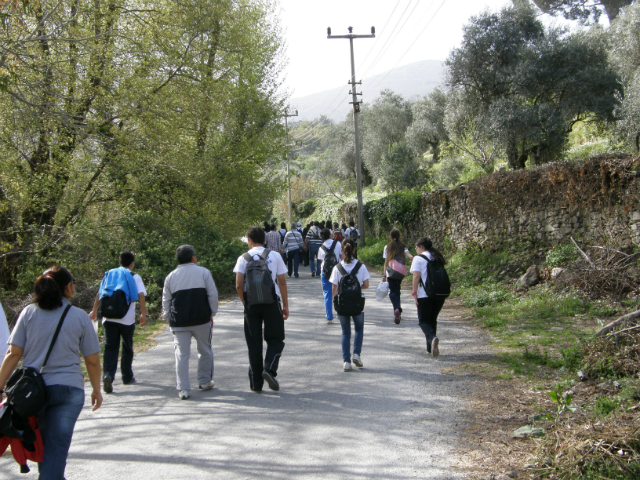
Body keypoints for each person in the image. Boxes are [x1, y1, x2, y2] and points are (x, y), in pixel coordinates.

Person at [0, 266, 102, 479]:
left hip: (33, 393)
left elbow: (13, 354)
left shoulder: (29, 312)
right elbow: (92, 361)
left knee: (45, 442)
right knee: (56, 445)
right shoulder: (80, 317)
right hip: (69, 391)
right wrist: (96, 390)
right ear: (68, 287)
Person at [234, 227, 289, 393]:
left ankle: (256, 384)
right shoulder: (274, 255)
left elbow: (238, 285)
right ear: (264, 239)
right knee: (276, 339)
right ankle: (269, 368)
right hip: (272, 303)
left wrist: (246, 303)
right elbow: (282, 282)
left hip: (251, 305)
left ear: (250, 240)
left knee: (254, 343)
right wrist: (285, 305)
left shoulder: (243, 258)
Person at [162, 245, 218, 399]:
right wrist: (212, 313)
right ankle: (204, 381)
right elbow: (212, 295)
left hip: (179, 322)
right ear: (193, 257)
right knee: (205, 350)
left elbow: (166, 300)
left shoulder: (171, 276)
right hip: (201, 319)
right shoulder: (204, 273)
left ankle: (183, 388)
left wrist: (168, 318)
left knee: (181, 354)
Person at [90, 252, 147, 393]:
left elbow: (100, 293)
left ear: (119, 262)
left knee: (110, 347)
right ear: (132, 263)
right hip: (126, 319)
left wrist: (94, 311)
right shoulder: (134, 276)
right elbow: (140, 294)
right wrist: (143, 314)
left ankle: (108, 375)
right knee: (127, 346)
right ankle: (127, 377)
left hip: (108, 318)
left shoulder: (109, 274)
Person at [330, 238, 370, 372]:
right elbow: (366, 285)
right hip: (357, 303)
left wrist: (335, 302)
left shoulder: (337, 268)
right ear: (354, 249)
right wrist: (355, 288)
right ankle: (357, 354)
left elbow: (334, 288)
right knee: (359, 330)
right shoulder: (361, 266)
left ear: (342, 250)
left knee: (345, 332)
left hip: (342, 304)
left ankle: (346, 361)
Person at [410, 237, 447, 358]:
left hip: (424, 295)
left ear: (421, 246)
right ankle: (430, 348)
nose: (416, 250)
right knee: (432, 320)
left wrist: (414, 294)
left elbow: (416, 277)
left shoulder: (418, 258)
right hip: (439, 294)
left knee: (423, 321)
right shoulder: (437, 256)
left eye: (416, 247)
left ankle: (432, 339)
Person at [381, 229, 414, 325]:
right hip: (400, 271)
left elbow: (386, 261)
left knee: (393, 292)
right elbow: (408, 255)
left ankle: (396, 308)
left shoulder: (387, 247)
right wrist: (412, 257)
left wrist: (384, 274)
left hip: (391, 272)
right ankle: (398, 308)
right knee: (397, 289)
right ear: (400, 236)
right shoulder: (403, 246)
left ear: (390, 237)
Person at [317, 228, 342, 323]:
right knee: (338, 291)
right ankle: (339, 313)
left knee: (327, 293)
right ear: (330, 235)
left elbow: (322, 261)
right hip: (337, 270)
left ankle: (329, 315)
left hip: (325, 271)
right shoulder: (338, 244)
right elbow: (341, 256)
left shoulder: (321, 247)